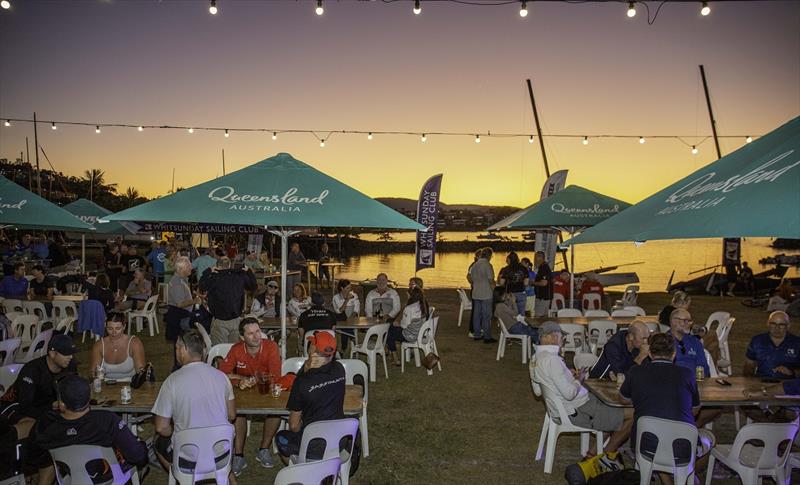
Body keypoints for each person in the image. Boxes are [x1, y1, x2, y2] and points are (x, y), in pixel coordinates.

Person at [530, 322, 633, 457]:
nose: (563, 340)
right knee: (633, 413)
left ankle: (592, 453)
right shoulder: (552, 360)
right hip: (577, 411)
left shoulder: (535, 358)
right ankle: (608, 453)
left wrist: (568, 376)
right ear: (552, 336)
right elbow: (569, 394)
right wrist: (580, 379)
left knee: (608, 406)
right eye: (562, 337)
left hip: (565, 408)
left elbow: (538, 391)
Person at [619, 333, 706, 485]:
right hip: (682, 445)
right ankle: (688, 475)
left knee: (656, 436)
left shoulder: (636, 371)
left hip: (644, 443)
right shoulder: (687, 374)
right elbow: (695, 409)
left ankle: (675, 477)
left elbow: (623, 399)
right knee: (709, 440)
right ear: (674, 354)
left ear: (650, 353)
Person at [28, 375, 148, 485]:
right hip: (108, 478)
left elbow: (35, 455)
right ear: (89, 397)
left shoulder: (46, 424)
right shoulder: (107, 421)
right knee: (136, 447)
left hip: (72, 478)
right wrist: (142, 445)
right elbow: (137, 457)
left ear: (62, 404)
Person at [152, 330, 236, 472]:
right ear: (203, 351)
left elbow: (161, 428)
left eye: (177, 348)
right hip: (221, 455)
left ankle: (179, 477)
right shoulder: (222, 377)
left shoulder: (172, 381)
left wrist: (175, 431)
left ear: (183, 350)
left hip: (188, 458)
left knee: (157, 442)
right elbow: (232, 415)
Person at [218, 318, 282, 473]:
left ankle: (263, 449)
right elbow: (221, 373)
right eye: (251, 333)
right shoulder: (236, 349)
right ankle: (239, 455)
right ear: (242, 337)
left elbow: (275, 376)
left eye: (258, 331)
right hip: (243, 394)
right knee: (237, 412)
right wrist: (240, 381)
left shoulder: (271, 347)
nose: (257, 336)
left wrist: (253, 379)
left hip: (266, 391)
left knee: (276, 412)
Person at [276, 331, 346, 464]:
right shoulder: (339, 368)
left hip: (313, 445)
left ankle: (300, 471)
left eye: (312, 343)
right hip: (338, 440)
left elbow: (294, 426)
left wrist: (306, 367)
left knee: (281, 437)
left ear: (314, 350)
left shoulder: (302, 382)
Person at [0, 334, 77, 424]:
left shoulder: (70, 365)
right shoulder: (32, 371)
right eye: (66, 353)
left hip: (46, 407)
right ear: (52, 354)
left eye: (72, 353)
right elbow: (25, 406)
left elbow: (73, 390)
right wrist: (52, 406)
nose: (70, 357)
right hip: (14, 408)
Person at [200, 256, 258, 345]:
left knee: (220, 352)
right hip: (236, 320)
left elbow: (202, 287)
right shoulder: (239, 276)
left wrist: (208, 271)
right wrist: (249, 271)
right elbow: (253, 286)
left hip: (220, 321)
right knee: (234, 351)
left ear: (217, 265)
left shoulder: (214, 277)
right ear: (230, 265)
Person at [743, 311, 799, 379]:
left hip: (788, 384)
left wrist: (791, 372)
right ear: (767, 324)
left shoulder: (797, 343)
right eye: (773, 324)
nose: (777, 328)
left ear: (788, 326)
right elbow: (749, 367)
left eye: (781, 325)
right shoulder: (757, 341)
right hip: (762, 382)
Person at [90, 314, 146, 381]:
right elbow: (93, 371)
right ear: (105, 327)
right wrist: (95, 374)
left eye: (118, 328)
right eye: (110, 329)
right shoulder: (99, 345)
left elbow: (140, 371)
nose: (114, 332)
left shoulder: (134, 343)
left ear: (124, 327)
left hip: (129, 384)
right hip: (106, 383)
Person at [387, 286, 430, 365]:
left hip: (410, 336)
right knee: (392, 329)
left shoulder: (409, 308)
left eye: (407, 295)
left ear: (411, 296)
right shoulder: (423, 306)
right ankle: (392, 355)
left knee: (389, 330)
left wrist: (397, 323)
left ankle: (395, 358)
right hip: (420, 333)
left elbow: (404, 326)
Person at [669, 308, 709, 377]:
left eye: (690, 321)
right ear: (674, 321)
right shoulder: (664, 342)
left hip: (694, 383)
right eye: (685, 321)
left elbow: (703, 367)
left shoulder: (695, 342)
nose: (689, 324)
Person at [468, 247, 496, 343]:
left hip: (476, 293)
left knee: (476, 315)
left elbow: (470, 279)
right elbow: (491, 280)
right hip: (486, 294)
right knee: (486, 316)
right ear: (489, 256)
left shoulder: (475, 265)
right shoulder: (488, 265)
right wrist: (495, 291)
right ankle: (487, 336)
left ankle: (477, 334)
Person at [532, 251, 553, 317]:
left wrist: (533, 283)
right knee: (544, 317)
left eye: (535, 257)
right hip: (544, 297)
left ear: (540, 258)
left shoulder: (544, 268)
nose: (534, 259)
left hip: (543, 297)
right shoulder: (542, 267)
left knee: (538, 317)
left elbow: (544, 283)